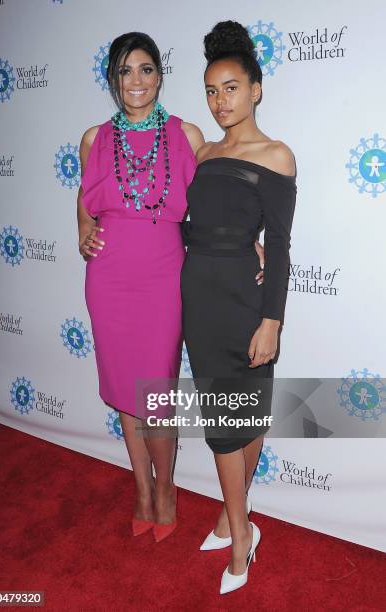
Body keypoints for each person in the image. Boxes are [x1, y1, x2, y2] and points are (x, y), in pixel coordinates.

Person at [181, 21, 296, 594]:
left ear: (255, 88)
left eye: (230, 87)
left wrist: (271, 319)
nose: (220, 100)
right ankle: (239, 522)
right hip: (199, 296)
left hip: (246, 302)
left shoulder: (275, 155)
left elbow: (279, 245)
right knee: (224, 424)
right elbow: (186, 222)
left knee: (245, 417)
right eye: (210, 90)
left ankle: (237, 527)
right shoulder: (201, 150)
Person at [77, 31, 203, 542]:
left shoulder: (186, 135)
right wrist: (83, 232)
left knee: (155, 394)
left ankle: (167, 488)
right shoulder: (93, 138)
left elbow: (215, 208)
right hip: (109, 279)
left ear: (159, 75)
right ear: (113, 78)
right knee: (126, 395)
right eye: (126, 70)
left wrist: (249, 244)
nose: (136, 80)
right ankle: (142, 491)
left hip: (163, 276)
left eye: (146, 69)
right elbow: (85, 203)